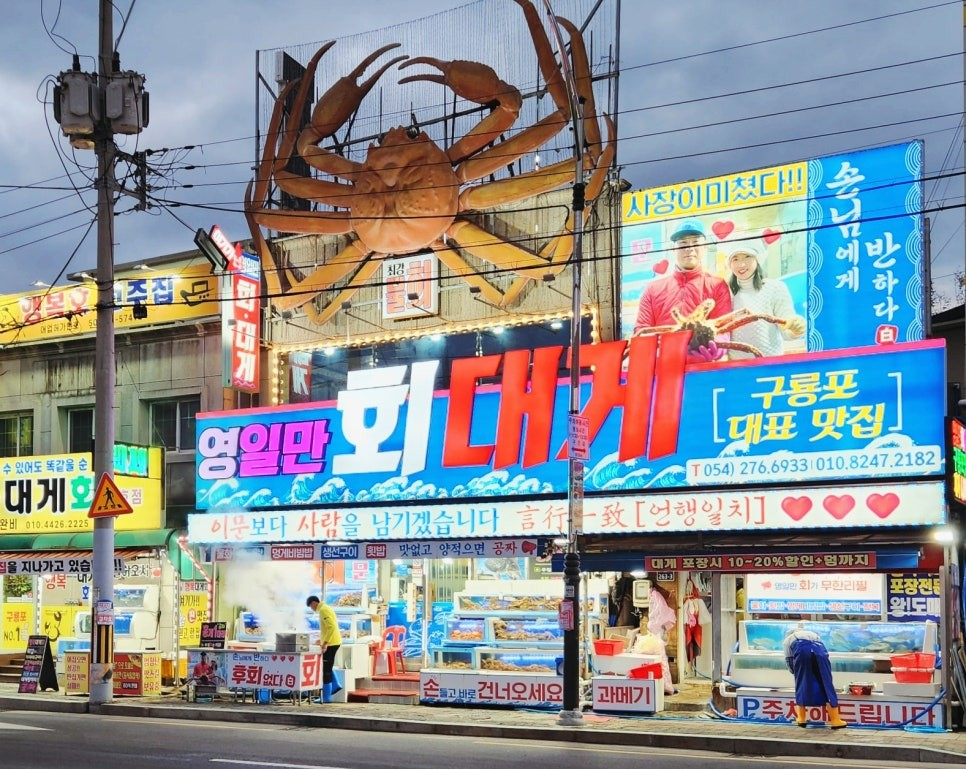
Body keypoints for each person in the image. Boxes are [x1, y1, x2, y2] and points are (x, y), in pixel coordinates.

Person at [633, 218, 733, 361]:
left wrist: (718, 348)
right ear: (674, 249)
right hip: (664, 367)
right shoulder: (653, 289)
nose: (689, 249)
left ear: (704, 247)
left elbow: (724, 328)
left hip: (704, 367)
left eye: (695, 243)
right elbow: (641, 330)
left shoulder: (717, 285)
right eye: (683, 243)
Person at [726, 243, 806, 359]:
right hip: (736, 367)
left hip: (770, 365)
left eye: (747, 257)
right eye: (735, 259)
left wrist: (796, 328)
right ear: (730, 264)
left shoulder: (775, 288)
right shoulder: (726, 292)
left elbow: (787, 328)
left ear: (757, 259)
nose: (741, 264)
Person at [783, 627, 847, 729]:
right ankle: (835, 720)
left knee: (802, 685)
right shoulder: (813, 634)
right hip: (820, 651)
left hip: (802, 651)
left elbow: (789, 659)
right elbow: (824, 653)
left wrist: (796, 673)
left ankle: (801, 719)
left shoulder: (788, 640)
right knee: (827, 684)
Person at [306, 594, 343, 702]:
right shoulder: (325, 608)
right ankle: (336, 685)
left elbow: (331, 627)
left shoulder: (323, 610)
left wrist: (325, 642)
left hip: (331, 643)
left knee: (325, 669)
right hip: (333, 642)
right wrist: (321, 640)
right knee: (327, 665)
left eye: (311, 607)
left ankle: (326, 697)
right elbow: (328, 628)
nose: (312, 609)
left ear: (314, 603)